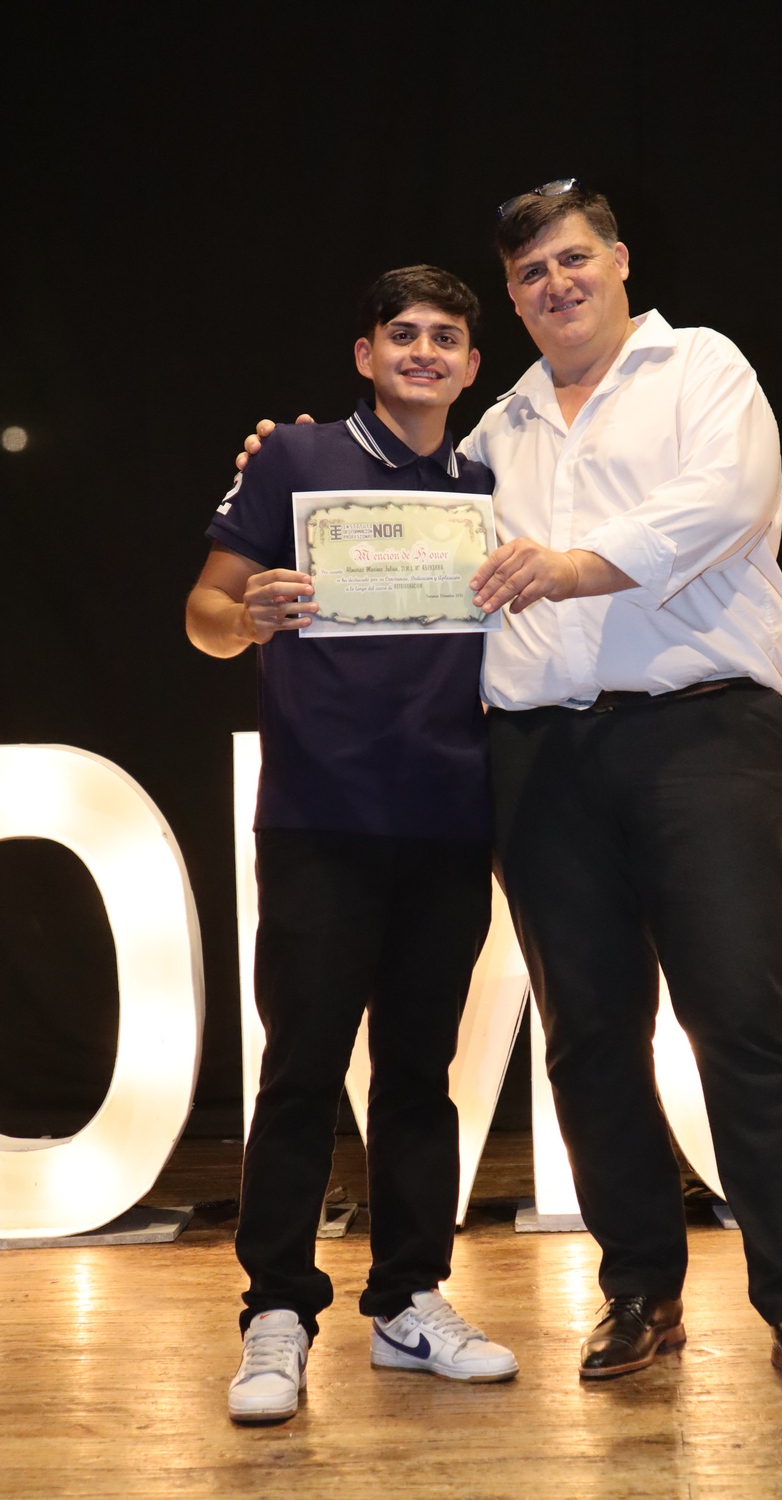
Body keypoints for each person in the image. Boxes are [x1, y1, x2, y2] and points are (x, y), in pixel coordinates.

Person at [239, 183, 782, 1409]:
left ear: (619, 260)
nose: (554, 284)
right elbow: (400, 518)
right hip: (537, 754)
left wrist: (575, 567)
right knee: (587, 1034)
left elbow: (725, 504)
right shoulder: (497, 431)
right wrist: (291, 463)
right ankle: (639, 1292)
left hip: (703, 733)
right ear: (512, 305)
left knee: (745, 1021)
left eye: (573, 259)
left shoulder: (702, 368)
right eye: (529, 274)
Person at [187, 264, 518, 1426]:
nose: (425, 352)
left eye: (446, 338)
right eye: (403, 334)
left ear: (472, 366)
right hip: (318, 818)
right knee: (301, 1070)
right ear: (366, 354)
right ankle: (276, 1312)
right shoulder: (293, 457)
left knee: (420, 1077)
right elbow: (204, 617)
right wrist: (248, 617)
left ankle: (409, 1301)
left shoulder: (491, 481)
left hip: (449, 820)